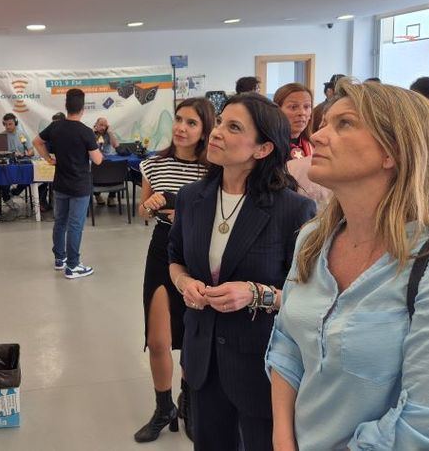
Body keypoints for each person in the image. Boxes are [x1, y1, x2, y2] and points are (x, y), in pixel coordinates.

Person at [266, 81, 429, 450]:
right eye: (324, 122)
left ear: (392, 151)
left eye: (344, 124)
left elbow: (428, 421)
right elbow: (286, 342)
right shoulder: (313, 239)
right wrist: (283, 440)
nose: (317, 135)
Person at [168, 93, 316, 451]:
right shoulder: (192, 197)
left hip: (262, 362)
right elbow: (174, 258)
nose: (216, 132)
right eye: (219, 122)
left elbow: (310, 298)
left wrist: (255, 294)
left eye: (233, 127)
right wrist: (185, 283)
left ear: (262, 149)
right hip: (203, 355)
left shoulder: (293, 209)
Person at [134, 98, 215, 443]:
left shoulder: (214, 170)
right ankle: (163, 406)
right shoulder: (154, 165)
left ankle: (190, 401)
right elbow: (143, 210)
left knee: (194, 336)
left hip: (200, 254)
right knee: (157, 340)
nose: (181, 127)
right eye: (179, 120)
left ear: (204, 130)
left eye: (191, 123)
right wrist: (149, 206)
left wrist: (182, 213)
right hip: (162, 249)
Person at [34, 89, 103, 279]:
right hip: (79, 186)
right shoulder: (86, 132)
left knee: (60, 222)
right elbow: (97, 160)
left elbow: (36, 141)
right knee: (75, 225)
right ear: (82, 108)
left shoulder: (55, 127)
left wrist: (48, 158)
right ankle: (73, 266)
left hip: (60, 184)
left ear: (66, 106)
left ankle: (60, 259)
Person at [0, 112, 33, 205]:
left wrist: (24, 154)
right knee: (2, 173)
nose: (7, 126)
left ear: (16, 123)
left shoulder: (21, 135)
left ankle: (16, 191)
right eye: (5, 124)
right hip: (7, 163)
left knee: (29, 172)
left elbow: (31, 151)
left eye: (10, 124)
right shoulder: (1, 136)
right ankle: (6, 197)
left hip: (21, 161)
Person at [273, 83, 313, 160]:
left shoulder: (315, 146)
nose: (302, 113)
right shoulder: (268, 147)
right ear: (277, 111)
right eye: (293, 107)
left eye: (306, 107)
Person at [38, 112, 66, 212]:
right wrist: (49, 158)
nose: (54, 126)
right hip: (51, 164)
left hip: (65, 168)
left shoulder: (69, 134)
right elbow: (43, 148)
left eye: (57, 123)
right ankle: (43, 202)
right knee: (42, 179)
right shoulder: (49, 135)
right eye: (53, 124)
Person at [92, 116, 119, 206]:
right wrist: (92, 134)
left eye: (105, 125)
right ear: (96, 125)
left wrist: (110, 132)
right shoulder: (91, 133)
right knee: (92, 170)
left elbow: (115, 145)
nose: (103, 127)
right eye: (101, 125)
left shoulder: (108, 133)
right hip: (95, 160)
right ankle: (97, 194)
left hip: (108, 159)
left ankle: (111, 196)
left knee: (117, 170)